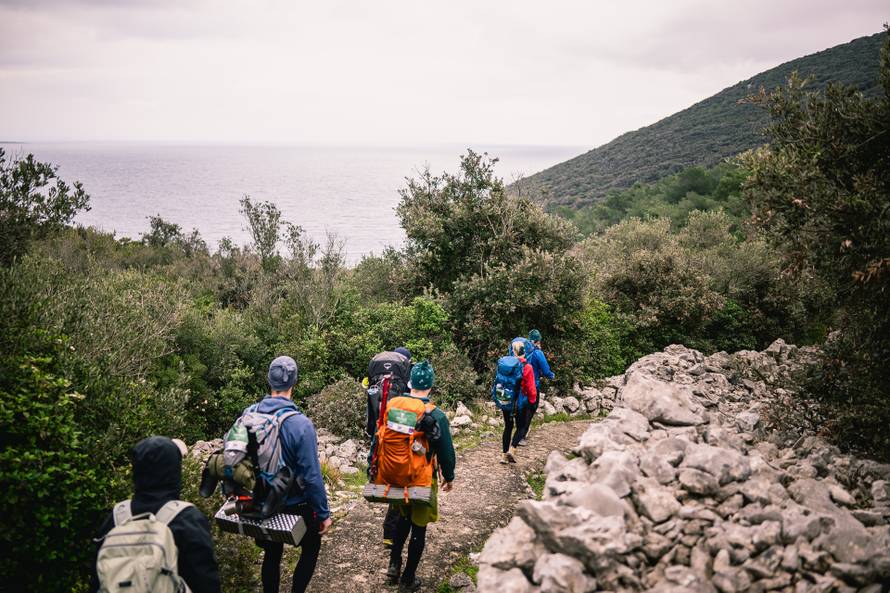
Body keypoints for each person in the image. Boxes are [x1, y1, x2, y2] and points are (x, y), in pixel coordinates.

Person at [91, 436, 222, 593]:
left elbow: (98, 579)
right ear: (174, 470)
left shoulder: (116, 517)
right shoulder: (187, 518)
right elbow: (206, 582)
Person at [373, 360, 456, 593]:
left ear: (410, 383)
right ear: (430, 386)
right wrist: (449, 476)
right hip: (420, 478)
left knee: (402, 519)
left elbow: (380, 435)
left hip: (395, 475)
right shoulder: (435, 414)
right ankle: (408, 580)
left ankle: (394, 565)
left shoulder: (394, 404)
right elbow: (446, 451)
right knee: (419, 527)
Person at [251, 356, 332, 593]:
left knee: (272, 552)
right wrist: (324, 514)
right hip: (295, 506)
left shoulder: (249, 413)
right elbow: (312, 477)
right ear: (294, 384)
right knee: (311, 546)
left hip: (261, 502)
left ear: (268, 381)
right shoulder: (301, 424)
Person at [365, 346, 413, 550]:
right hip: (398, 432)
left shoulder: (377, 376)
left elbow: (370, 402)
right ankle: (391, 534)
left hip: (379, 430)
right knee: (399, 481)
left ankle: (373, 475)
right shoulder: (406, 377)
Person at [500, 340, 537, 464]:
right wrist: (532, 401)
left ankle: (504, 456)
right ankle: (513, 448)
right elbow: (531, 388)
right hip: (520, 402)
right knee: (521, 427)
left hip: (506, 401)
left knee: (508, 427)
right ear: (524, 351)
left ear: (513, 351)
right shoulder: (527, 367)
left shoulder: (506, 364)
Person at [519, 328, 554, 446]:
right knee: (530, 410)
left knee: (521, 409)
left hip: (520, 384)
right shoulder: (538, 353)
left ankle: (517, 433)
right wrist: (551, 375)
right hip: (532, 386)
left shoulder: (522, 349)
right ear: (538, 340)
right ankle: (522, 436)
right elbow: (545, 370)